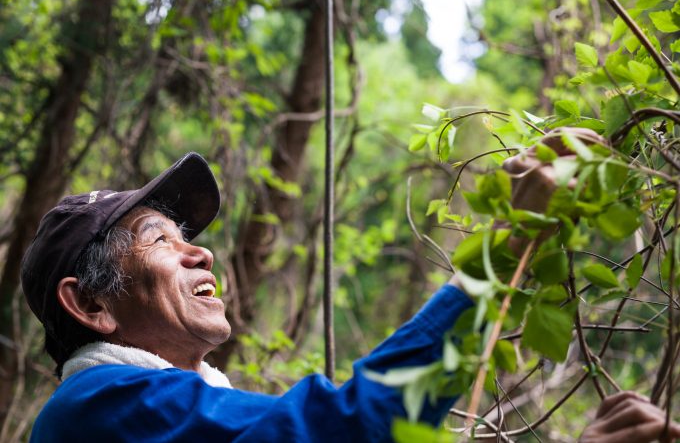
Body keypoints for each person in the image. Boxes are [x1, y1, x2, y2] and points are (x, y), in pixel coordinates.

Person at [20, 140, 680, 442]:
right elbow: (339, 430)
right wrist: (502, 251)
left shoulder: (183, 412)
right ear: (92, 305)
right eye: (161, 241)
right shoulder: (97, 408)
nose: (201, 249)